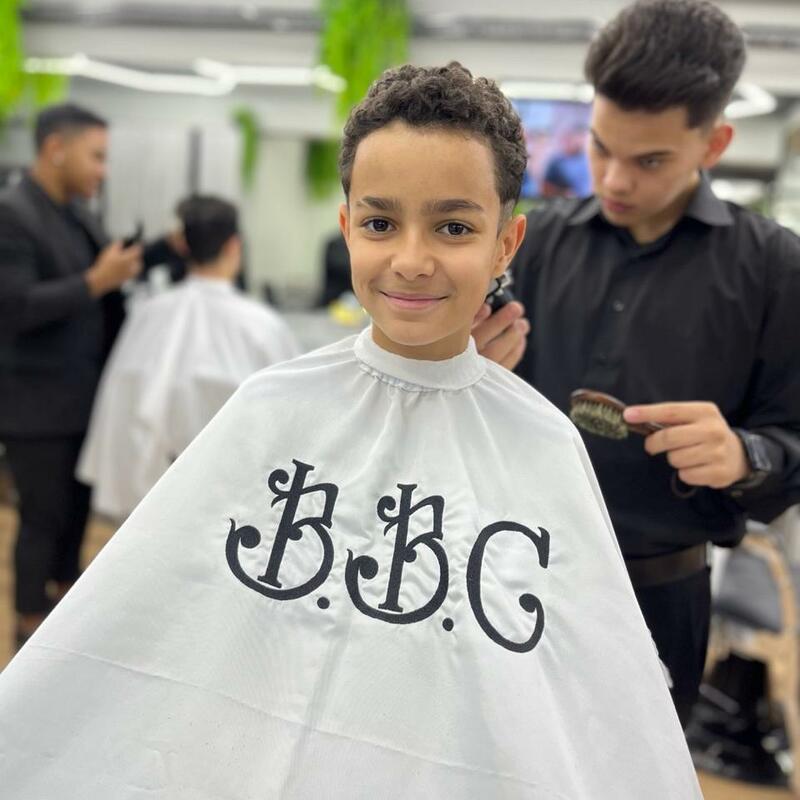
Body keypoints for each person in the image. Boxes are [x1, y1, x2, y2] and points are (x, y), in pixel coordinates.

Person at [0, 63, 700, 798]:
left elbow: (594, 704)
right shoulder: (269, 405)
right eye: (380, 223)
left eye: (454, 227)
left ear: (505, 243)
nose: (411, 260)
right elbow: (143, 626)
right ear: (346, 228)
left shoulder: (545, 444)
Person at [473, 0, 800, 727]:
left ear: (714, 143)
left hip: (659, 600)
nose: (615, 180)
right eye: (601, 148)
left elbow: (792, 445)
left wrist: (742, 454)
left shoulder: (776, 271)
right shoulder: (534, 243)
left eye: (650, 160)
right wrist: (461, 364)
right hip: (502, 575)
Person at [0, 103, 143, 647]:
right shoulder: (13, 214)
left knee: (74, 519)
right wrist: (95, 281)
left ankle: (61, 625)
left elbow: (102, 278)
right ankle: (27, 626)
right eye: (96, 156)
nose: (102, 170)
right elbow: (14, 307)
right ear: (55, 149)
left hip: (83, 398)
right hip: (35, 406)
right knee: (42, 519)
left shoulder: (76, 213)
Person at [77, 195, 300, 521]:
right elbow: (292, 419)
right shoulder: (263, 327)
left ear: (182, 245)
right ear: (234, 246)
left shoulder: (148, 315)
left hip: (149, 496)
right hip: (232, 497)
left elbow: (118, 407)